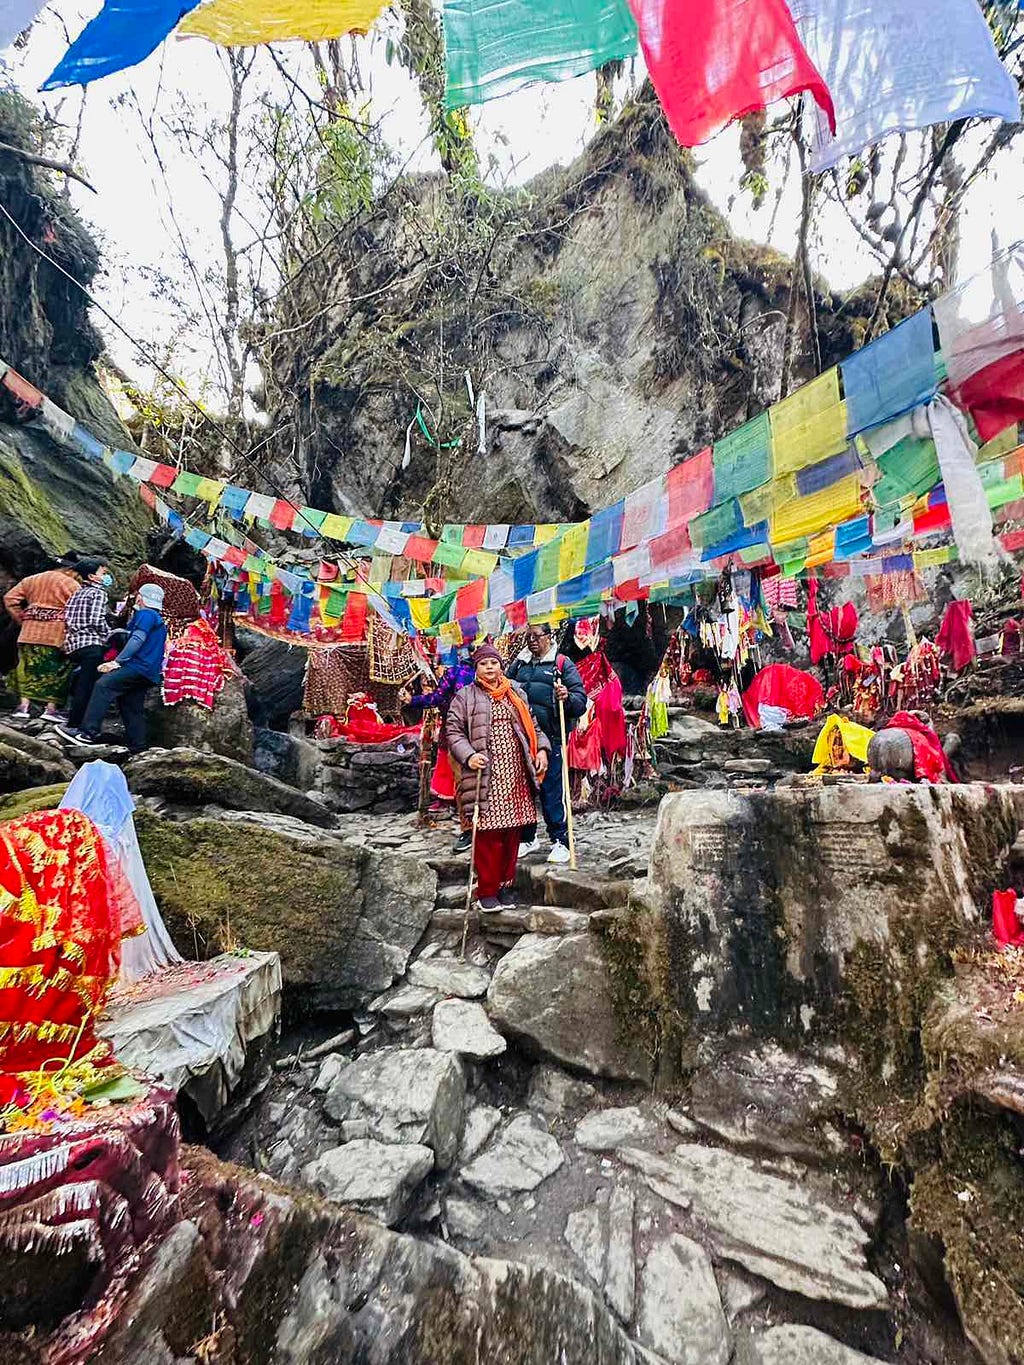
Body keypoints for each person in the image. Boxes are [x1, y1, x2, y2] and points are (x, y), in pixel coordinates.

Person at [446, 645, 550, 912]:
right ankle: (487, 891)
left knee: (512, 832)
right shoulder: (465, 697)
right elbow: (454, 731)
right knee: (488, 834)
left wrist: (541, 749)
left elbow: (533, 726)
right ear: (476, 668)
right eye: (484, 664)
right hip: (485, 774)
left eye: (494, 663)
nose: (490, 668)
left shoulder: (515, 693)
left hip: (515, 772)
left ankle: (504, 886)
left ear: (501, 666)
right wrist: (468, 756)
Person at [508, 623, 587, 864]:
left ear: (549, 637)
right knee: (524, 791)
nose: (531, 641)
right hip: (522, 738)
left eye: (536, 636)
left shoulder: (562, 664)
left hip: (551, 737)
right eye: (528, 637)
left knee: (552, 789)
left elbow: (581, 700)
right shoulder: (519, 664)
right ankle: (528, 837)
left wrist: (568, 696)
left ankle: (561, 841)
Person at [61, 583, 167, 752]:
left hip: (138, 666)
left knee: (104, 685)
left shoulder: (146, 614)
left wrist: (116, 662)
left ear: (141, 597)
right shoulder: (158, 619)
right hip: (149, 672)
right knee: (131, 705)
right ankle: (138, 748)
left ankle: (87, 733)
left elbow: (137, 639)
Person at [399, 646, 476, 852]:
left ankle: (470, 827)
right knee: (470, 780)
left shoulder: (455, 673)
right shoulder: (470, 672)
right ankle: (474, 825)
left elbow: (437, 698)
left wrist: (413, 700)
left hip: (461, 732)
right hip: (471, 733)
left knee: (464, 781)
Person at [3, 558, 82, 722]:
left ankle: (23, 707)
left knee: (26, 669)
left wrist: (21, 618)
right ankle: (50, 709)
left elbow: (9, 599)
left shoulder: (32, 579)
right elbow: (77, 611)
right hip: (55, 634)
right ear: (71, 570)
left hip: (28, 632)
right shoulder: (71, 584)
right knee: (56, 671)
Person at [61, 557, 114, 732]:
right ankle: (76, 724)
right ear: (92, 576)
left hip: (74, 644)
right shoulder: (98, 593)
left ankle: (71, 718)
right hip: (92, 644)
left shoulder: (77, 593)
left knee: (79, 683)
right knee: (88, 685)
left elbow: (67, 618)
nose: (106, 575)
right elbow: (96, 620)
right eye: (103, 573)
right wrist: (109, 635)